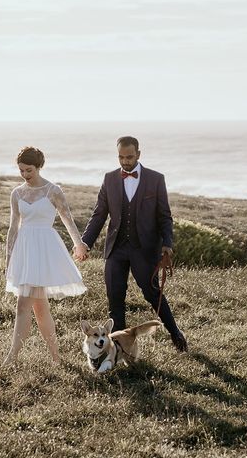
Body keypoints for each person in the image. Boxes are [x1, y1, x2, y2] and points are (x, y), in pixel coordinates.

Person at [76, 136, 187, 352]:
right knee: (115, 298)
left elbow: (165, 216)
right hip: (116, 248)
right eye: (121, 157)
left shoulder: (155, 179)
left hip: (144, 249)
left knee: (152, 293)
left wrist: (167, 243)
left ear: (138, 154)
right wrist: (85, 243)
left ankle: (176, 333)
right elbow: (99, 214)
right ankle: (119, 351)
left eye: (129, 157)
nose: (125, 161)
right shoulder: (109, 179)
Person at [3, 146, 86, 366]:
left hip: (44, 248)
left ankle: (12, 357)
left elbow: (68, 219)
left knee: (24, 305)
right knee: (40, 307)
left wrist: (79, 244)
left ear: (39, 167)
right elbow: (13, 228)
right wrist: (8, 258)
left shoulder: (53, 190)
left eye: (28, 170)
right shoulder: (17, 193)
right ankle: (56, 358)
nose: (25, 174)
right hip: (25, 250)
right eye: (21, 170)